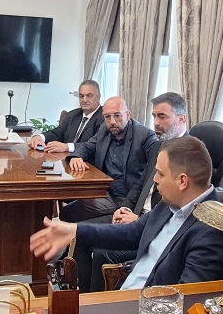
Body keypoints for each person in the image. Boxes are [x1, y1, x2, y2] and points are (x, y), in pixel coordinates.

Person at [30, 137, 223, 290]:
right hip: (125, 296)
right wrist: (74, 230)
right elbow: (132, 233)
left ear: (182, 181)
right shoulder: (171, 203)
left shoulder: (212, 233)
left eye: (160, 174)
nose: (154, 179)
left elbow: (185, 301)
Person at [80, 92, 190, 291]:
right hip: (137, 215)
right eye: (154, 116)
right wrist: (124, 209)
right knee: (80, 234)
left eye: (162, 116)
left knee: (102, 252)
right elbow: (141, 185)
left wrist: (140, 221)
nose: (155, 123)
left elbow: (178, 210)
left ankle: (95, 304)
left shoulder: (190, 155)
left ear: (181, 119)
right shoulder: (159, 145)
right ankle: (78, 296)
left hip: (154, 228)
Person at [60, 97, 158, 222]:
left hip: (128, 199)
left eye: (117, 116)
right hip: (106, 193)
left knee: (79, 227)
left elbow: (149, 176)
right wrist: (76, 157)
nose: (112, 121)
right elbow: (87, 146)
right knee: (66, 213)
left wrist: (127, 207)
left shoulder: (145, 136)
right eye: (107, 117)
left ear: (128, 115)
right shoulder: (104, 130)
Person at [28, 80, 103, 153]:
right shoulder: (73, 115)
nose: (84, 100)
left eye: (89, 96)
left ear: (98, 97)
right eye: (81, 96)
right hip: (65, 157)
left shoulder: (105, 118)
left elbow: (96, 144)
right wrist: (40, 137)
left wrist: (67, 147)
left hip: (87, 160)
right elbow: (57, 133)